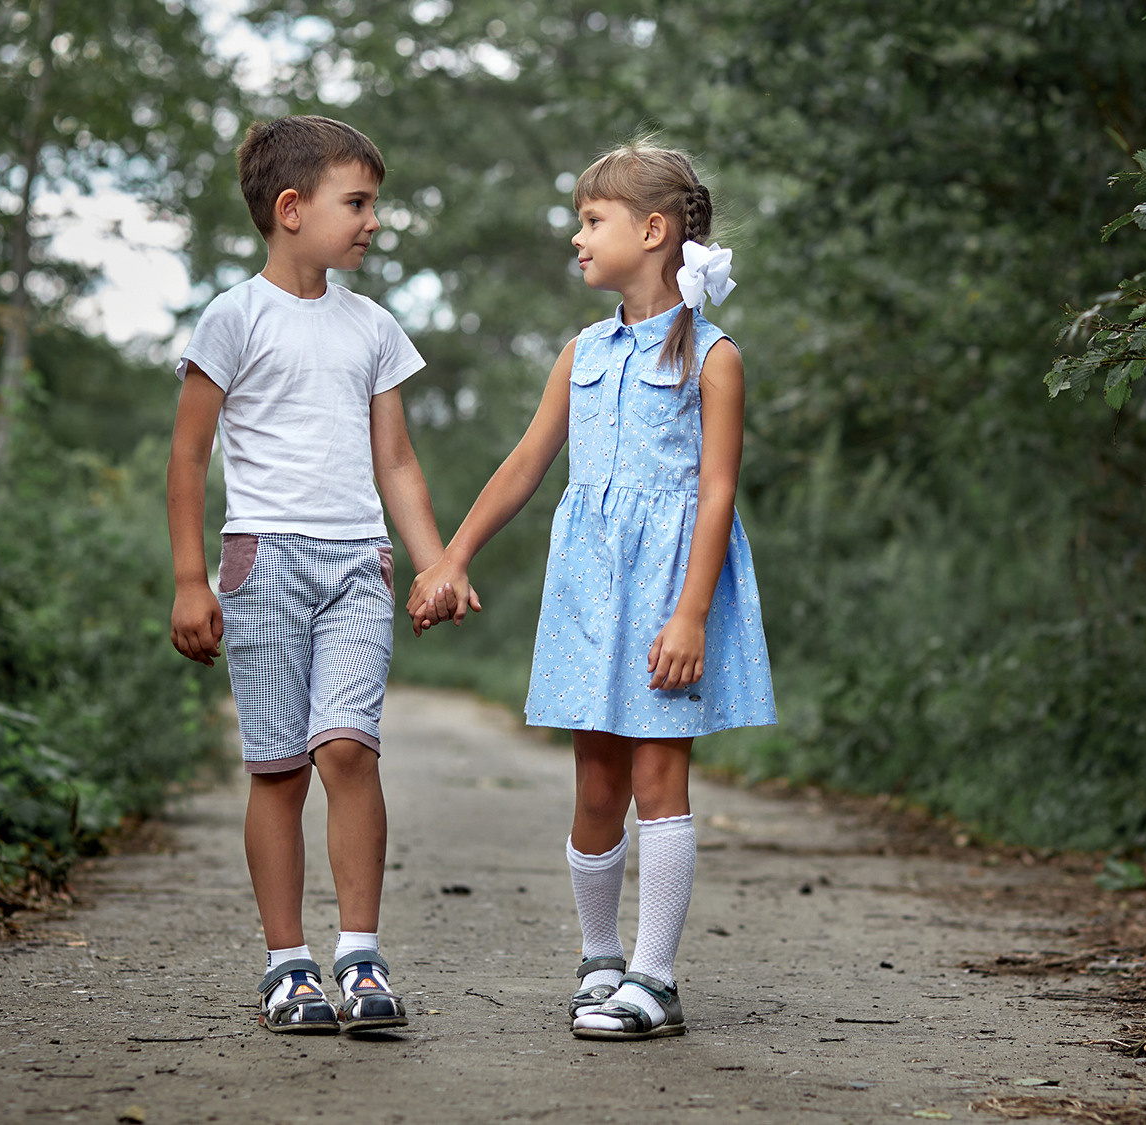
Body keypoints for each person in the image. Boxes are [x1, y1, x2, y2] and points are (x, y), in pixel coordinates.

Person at [410, 141, 776, 1041]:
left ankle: (656, 978)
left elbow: (719, 493)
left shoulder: (714, 357)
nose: (577, 237)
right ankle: (600, 957)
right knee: (595, 778)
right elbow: (528, 463)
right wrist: (452, 555)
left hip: (667, 591)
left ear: (652, 232)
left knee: (660, 771)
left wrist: (691, 611)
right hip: (588, 589)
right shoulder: (581, 352)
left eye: (593, 220)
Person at [166, 114, 468, 1035]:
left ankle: (361, 953)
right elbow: (187, 458)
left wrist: (434, 561)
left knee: (347, 747)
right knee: (280, 768)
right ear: (291, 209)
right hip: (260, 562)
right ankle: (287, 962)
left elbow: (399, 464)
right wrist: (190, 578)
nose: (374, 221)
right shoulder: (233, 316)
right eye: (359, 203)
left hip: (355, 563)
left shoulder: (373, 326)